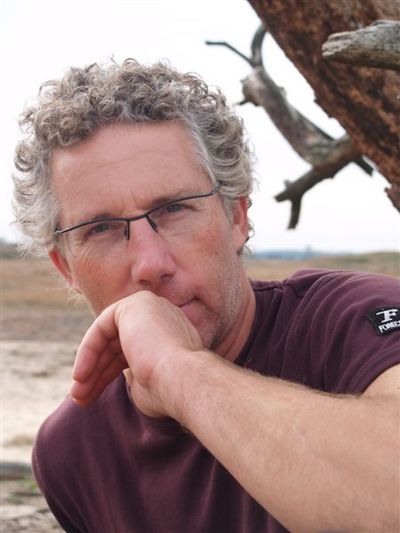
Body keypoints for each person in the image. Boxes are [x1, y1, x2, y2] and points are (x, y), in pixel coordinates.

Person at [13, 59, 399, 533]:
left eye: (174, 209)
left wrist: (177, 370)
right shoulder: (72, 450)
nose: (150, 264)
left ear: (237, 217)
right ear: (66, 267)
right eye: (101, 229)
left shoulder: (354, 321)